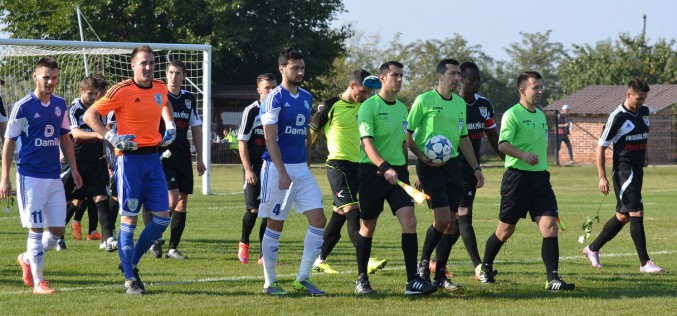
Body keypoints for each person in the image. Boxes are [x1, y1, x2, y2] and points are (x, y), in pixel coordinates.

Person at [84, 45, 176, 295]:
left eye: (151, 63)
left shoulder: (159, 87)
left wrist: (170, 124)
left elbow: (165, 103)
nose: (148, 68)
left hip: (153, 160)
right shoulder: (120, 90)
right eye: (143, 63)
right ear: (132, 66)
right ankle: (129, 280)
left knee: (161, 220)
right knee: (129, 221)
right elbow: (90, 116)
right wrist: (111, 137)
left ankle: (130, 262)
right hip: (129, 162)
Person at [476, 71, 575, 291]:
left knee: (549, 226)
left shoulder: (540, 115)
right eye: (535, 88)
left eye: (541, 87)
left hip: (540, 179)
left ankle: (553, 279)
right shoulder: (512, 114)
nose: (540, 91)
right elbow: (502, 144)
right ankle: (485, 268)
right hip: (517, 180)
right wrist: (523, 155)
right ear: (523, 91)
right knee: (505, 231)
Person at [354, 61, 436, 296]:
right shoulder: (369, 107)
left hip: (398, 174)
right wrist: (385, 166)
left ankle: (413, 281)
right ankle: (362, 278)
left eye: (401, 75)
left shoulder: (402, 108)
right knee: (368, 226)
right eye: (394, 75)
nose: (399, 79)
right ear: (382, 78)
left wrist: (407, 172)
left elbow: (402, 144)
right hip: (372, 172)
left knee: (409, 221)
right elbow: (366, 144)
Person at [1, 57, 83, 294]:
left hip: (53, 177)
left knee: (57, 232)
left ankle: (26, 258)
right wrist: (5, 177)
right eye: (46, 77)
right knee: (36, 230)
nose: (50, 82)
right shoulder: (23, 106)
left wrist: (74, 169)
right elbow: (9, 143)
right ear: (36, 77)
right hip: (30, 178)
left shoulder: (60, 104)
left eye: (54, 77)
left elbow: (65, 138)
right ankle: (39, 282)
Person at [406, 59, 484, 292]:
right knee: (442, 219)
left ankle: (440, 274)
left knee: (451, 223)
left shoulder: (460, 104)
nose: (457, 77)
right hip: (428, 167)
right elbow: (408, 135)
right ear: (440, 76)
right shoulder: (424, 101)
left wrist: (476, 168)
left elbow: (463, 139)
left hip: (453, 166)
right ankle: (423, 266)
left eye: (458, 74)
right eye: (452, 73)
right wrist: (421, 156)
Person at [258, 48, 326, 296]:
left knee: (319, 220)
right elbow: (269, 139)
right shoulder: (274, 98)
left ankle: (302, 279)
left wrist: (306, 164)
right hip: (278, 170)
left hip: (301, 170)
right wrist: (282, 172)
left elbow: (307, 134)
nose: (300, 72)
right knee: (276, 224)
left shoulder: (307, 97)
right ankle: (270, 282)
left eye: (302, 68)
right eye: (295, 68)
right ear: (282, 69)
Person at [309, 70, 387, 274]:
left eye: (369, 92)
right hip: (338, 165)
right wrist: (303, 161)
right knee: (353, 212)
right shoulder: (331, 105)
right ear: (352, 85)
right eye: (363, 91)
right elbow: (312, 134)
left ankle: (319, 259)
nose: (365, 95)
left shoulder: (366, 107)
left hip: (359, 166)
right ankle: (366, 259)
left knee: (338, 216)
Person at [583, 78, 663, 273]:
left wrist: (646, 154)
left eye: (644, 99)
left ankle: (592, 249)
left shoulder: (644, 112)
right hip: (623, 171)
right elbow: (600, 147)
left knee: (623, 216)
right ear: (628, 95)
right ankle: (645, 263)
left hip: (638, 170)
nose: (641, 102)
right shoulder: (617, 116)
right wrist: (602, 177)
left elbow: (643, 135)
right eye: (638, 99)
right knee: (636, 211)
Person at [433, 61, 503, 279]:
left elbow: (492, 135)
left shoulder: (484, 106)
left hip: (472, 170)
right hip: (450, 168)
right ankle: (479, 267)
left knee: (453, 224)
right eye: (472, 79)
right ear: (461, 80)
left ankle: (434, 262)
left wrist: (507, 160)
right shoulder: (451, 104)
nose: (477, 84)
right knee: (462, 218)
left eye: (479, 79)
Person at [148, 60, 206, 260]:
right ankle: (154, 238)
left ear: (184, 76)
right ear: (166, 74)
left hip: (183, 155)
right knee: (171, 200)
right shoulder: (158, 96)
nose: (174, 76)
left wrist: (199, 157)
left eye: (178, 73)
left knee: (182, 202)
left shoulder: (189, 98)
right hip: (163, 154)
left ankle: (172, 248)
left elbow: (196, 127)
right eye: (171, 72)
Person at [64, 77, 117, 251]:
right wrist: (96, 135)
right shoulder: (75, 109)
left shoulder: (99, 110)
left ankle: (108, 239)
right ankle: (56, 235)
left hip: (97, 159)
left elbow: (105, 136)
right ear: (81, 91)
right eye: (90, 94)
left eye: (96, 94)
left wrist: (109, 156)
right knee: (72, 200)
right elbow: (76, 133)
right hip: (77, 159)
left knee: (101, 197)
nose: (94, 97)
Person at [237, 73, 276, 265]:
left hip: (272, 168)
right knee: (253, 209)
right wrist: (248, 169)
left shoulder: (278, 111)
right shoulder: (251, 111)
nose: (270, 91)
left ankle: (264, 255)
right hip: (254, 167)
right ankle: (244, 242)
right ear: (259, 89)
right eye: (267, 87)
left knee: (268, 211)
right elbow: (242, 141)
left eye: (273, 87)